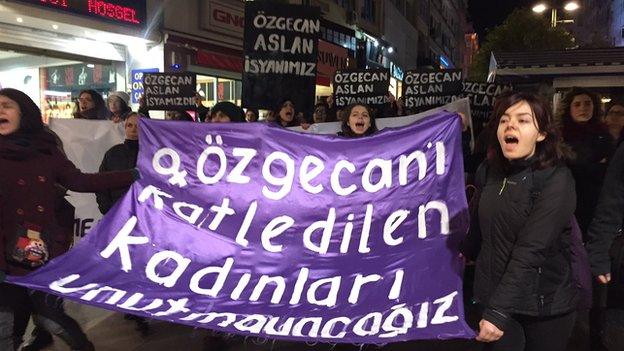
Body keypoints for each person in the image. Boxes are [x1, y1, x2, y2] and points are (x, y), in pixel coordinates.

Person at [0, 88, 137, 351]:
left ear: (24, 112)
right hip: (2, 256)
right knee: (6, 328)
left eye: (7, 105)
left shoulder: (46, 150)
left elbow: (80, 181)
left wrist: (133, 175)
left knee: (50, 317)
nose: (0, 111)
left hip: (39, 251)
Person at [463, 92, 577, 351]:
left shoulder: (556, 179)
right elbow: (478, 229)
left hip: (543, 307)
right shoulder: (487, 170)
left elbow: (531, 250)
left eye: (523, 120)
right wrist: (459, 252)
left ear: (541, 134)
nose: (511, 126)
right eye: (504, 120)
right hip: (494, 298)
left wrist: (498, 313)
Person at [558, 88, 614, 236]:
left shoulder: (604, 136)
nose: (583, 108)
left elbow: (608, 171)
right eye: (577, 105)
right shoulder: (559, 137)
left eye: (587, 104)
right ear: (568, 109)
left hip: (595, 203)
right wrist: (594, 166)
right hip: (565, 202)